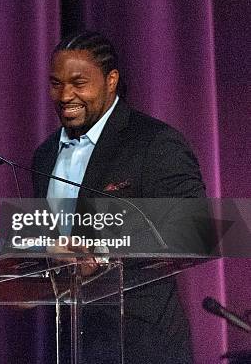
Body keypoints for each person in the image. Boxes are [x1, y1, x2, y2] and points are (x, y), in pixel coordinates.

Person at [32, 31, 207, 363]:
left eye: (78, 83)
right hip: (69, 344)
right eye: (56, 84)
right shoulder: (43, 156)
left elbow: (197, 231)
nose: (65, 94)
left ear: (111, 81)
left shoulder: (154, 143)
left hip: (141, 343)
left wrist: (101, 251)